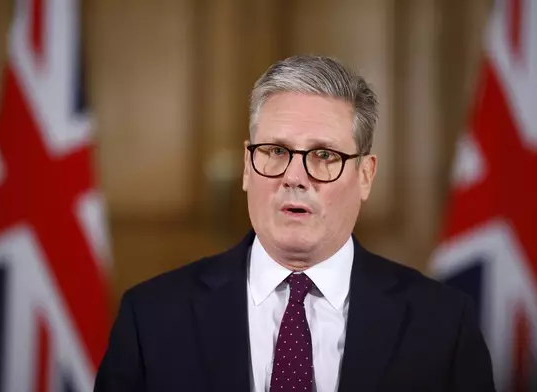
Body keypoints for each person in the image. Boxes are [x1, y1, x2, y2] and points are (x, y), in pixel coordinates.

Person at [94, 55, 496, 392]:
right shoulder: (151, 318)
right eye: (275, 151)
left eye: (324, 156)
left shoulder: (443, 325)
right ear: (248, 167)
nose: (295, 176)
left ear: (366, 176)